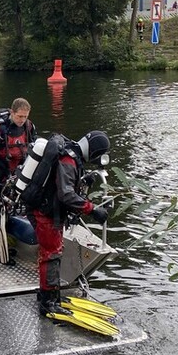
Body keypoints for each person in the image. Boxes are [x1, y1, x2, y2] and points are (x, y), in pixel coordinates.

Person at [32, 130, 110, 317]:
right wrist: (92, 209)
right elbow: (66, 194)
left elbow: (65, 184)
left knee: (51, 254)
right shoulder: (68, 160)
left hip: (49, 211)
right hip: (47, 214)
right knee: (51, 255)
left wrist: (84, 179)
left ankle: (49, 293)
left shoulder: (71, 154)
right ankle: (48, 302)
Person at [0, 98, 36, 211]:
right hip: (0, 176)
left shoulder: (28, 126)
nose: (22, 120)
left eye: (25, 117)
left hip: (20, 174)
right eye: (20, 116)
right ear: (12, 112)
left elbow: (33, 148)